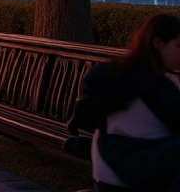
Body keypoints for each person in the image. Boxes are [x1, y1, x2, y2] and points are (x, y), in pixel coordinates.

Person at [70, 14, 180, 192]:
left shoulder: (116, 74)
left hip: (104, 168)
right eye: (179, 46)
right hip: (129, 171)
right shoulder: (156, 84)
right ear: (158, 43)